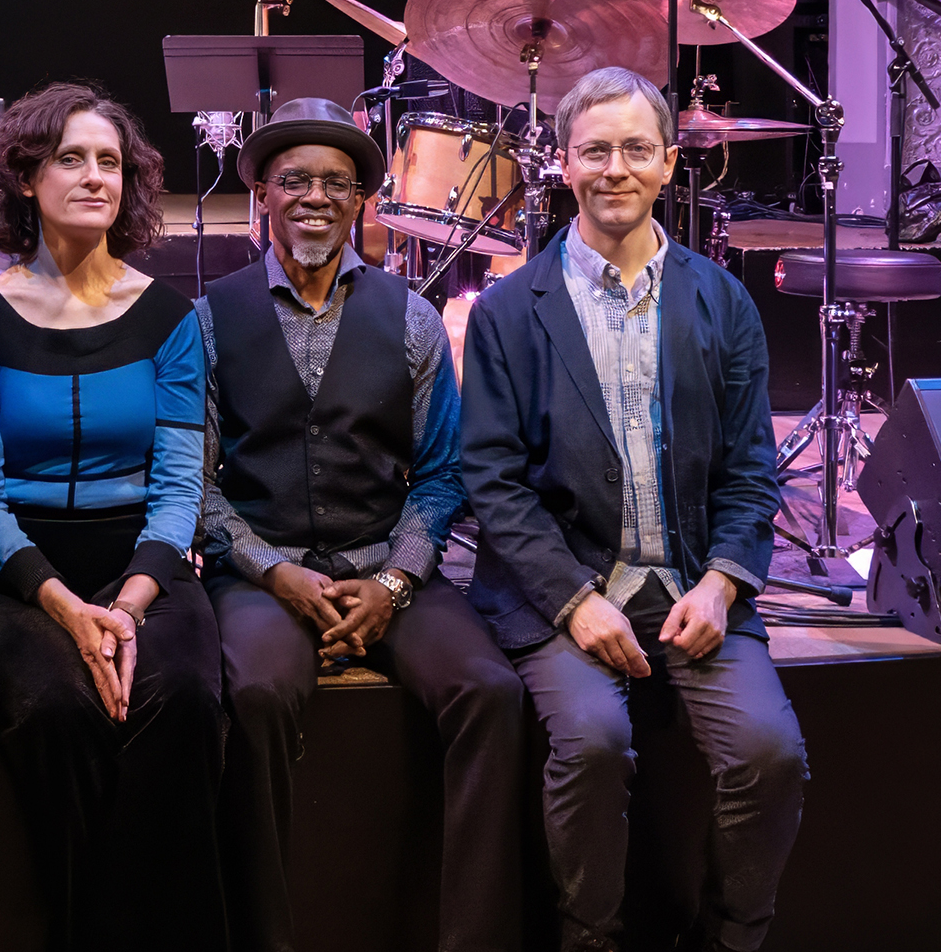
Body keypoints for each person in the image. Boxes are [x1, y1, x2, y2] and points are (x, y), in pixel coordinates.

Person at [460, 66, 807, 952]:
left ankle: (729, 938)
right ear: (564, 165)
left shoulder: (722, 301)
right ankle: (592, 940)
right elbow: (492, 481)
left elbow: (750, 468)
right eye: (596, 150)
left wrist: (726, 583)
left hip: (693, 587)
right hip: (562, 592)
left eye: (636, 150)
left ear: (667, 166)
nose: (616, 168)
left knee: (769, 755)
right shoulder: (507, 309)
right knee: (593, 744)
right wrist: (575, 602)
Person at [198, 97, 524, 952]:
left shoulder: (412, 316)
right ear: (263, 193)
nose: (314, 197)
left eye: (335, 183)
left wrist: (394, 580)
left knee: (489, 692)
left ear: (360, 203)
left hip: (392, 568)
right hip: (264, 572)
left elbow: (444, 470)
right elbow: (194, 486)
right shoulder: (207, 319)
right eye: (295, 180)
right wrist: (274, 571)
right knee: (258, 694)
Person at [0, 83, 224, 951]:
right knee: (56, 710)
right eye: (71, 158)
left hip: (143, 563)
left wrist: (133, 601)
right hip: (19, 572)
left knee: (179, 696)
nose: (94, 175)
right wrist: (64, 605)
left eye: (109, 160)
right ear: (26, 179)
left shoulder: (170, 317)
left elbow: (181, 484)